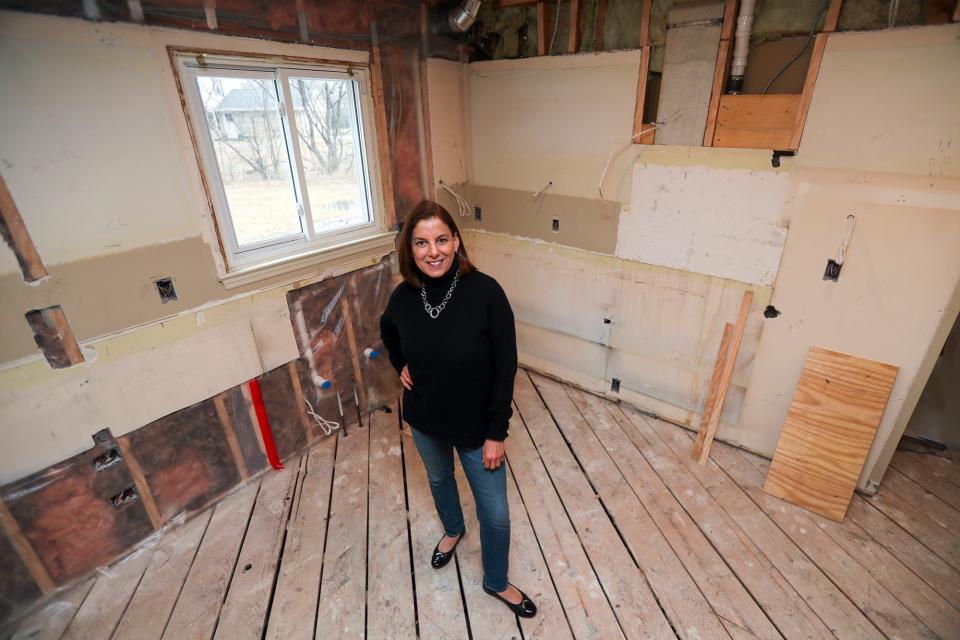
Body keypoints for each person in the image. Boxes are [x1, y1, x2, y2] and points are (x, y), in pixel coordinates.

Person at [379, 200, 537, 618]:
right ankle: (453, 529)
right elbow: (389, 332)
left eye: (441, 240)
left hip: (476, 427)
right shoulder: (403, 297)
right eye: (421, 242)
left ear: (457, 241)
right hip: (425, 418)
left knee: (496, 515)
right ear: (409, 250)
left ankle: (496, 581)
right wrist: (401, 366)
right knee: (438, 479)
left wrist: (496, 432)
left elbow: (505, 366)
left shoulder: (486, 293)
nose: (433, 251)